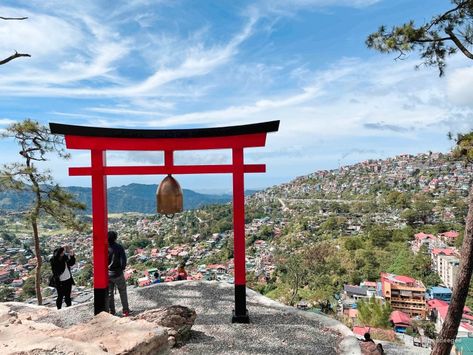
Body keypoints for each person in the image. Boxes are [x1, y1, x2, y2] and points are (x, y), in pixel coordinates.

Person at [107, 231, 130, 316]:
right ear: (115, 238)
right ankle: (126, 310)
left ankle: (112, 311)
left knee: (110, 294)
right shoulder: (119, 247)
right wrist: (122, 269)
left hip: (108, 274)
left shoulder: (104, 247)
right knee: (123, 292)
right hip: (118, 273)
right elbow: (123, 260)